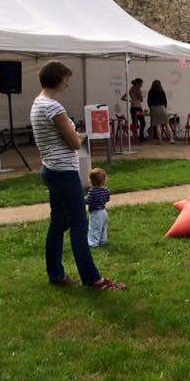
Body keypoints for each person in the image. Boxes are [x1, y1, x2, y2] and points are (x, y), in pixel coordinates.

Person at [30, 60, 125, 291]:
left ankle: (56, 274)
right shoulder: (54, 107)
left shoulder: (38, 103)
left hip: (51, 169)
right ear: (58, 79)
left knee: (58, 224)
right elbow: (73, 143)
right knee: (79, 225)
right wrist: (80, 134)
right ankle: (93, 279)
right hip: (64, 173)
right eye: (66, 79)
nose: (68, 84)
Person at [85, 168, 111, 248]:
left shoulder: (92, 191)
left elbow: (87, 201)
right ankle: (103, 240)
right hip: (103, 211)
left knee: (94, 228)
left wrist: (82, 199)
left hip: (95, 212)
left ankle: (93, 243)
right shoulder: (106, 190)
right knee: (103, 227)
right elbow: (107, 199)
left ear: (91, 181)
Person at [147, 79, 175, 144]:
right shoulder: (162, 91)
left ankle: (160, 140)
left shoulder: (150, 92)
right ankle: (171, 139)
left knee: (158, 125)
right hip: (162, 108)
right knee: (167, 124)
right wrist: (164, 107)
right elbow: (165, 101)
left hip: (154, 108)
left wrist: (151, 108)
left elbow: (149, 102)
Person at [121, 77, 146, 142]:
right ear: (137, 84)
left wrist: (130, 100)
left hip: (133, 108)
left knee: (135, 123)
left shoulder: (130, 90)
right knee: (142, 122)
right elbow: (141, 100)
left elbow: (122, 98)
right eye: (141, 84)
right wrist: (140, 95)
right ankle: (140, 136)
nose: (141, 85)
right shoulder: (138, 90)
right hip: (138, 107)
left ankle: (136, 137)